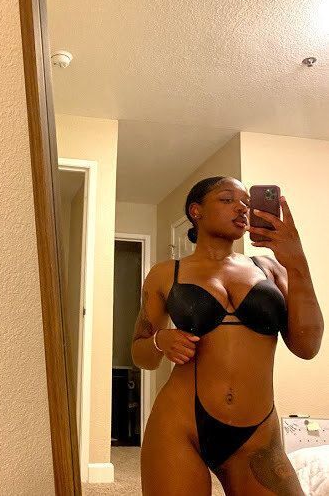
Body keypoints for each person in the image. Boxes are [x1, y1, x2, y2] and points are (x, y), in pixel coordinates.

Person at [131, 176, 324, 495]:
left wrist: (297, 261)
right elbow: (141, 355)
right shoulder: (166, 273)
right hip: (181, 425)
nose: (242, 208)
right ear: (196, 211)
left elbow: (307, 346)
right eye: (227, 199)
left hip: (257, 434)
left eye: (247, 202)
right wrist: (160, 341)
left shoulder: (270, 268)